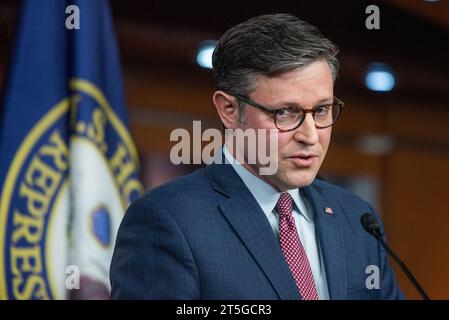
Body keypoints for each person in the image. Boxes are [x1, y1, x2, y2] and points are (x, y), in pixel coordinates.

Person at [110, 13, 404, 300]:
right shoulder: (167, 220)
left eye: (321, 110)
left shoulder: (356, 218)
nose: (311, 135)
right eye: (285, 113)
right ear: (229, 110)